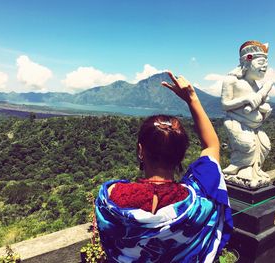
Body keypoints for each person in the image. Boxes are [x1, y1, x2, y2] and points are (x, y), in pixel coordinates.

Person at [95, 72, 233, 263]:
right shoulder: (200, 202)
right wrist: (192, 98)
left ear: (140, 150)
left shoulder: (110, 198)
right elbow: (211, 146)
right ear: (182, 155)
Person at [221, 40, 273, 188]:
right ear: (248, 60)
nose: (265, 66)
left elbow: (259, 104)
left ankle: (254, 170)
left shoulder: (257, 85)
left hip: (255, 126)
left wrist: (264, 109)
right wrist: (245, 99)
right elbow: (224, 105)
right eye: (261, 62)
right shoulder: (231, 80)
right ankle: (240, 171)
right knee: (247, 146)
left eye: (266, 63)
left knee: (265, 145)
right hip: (237, 122)